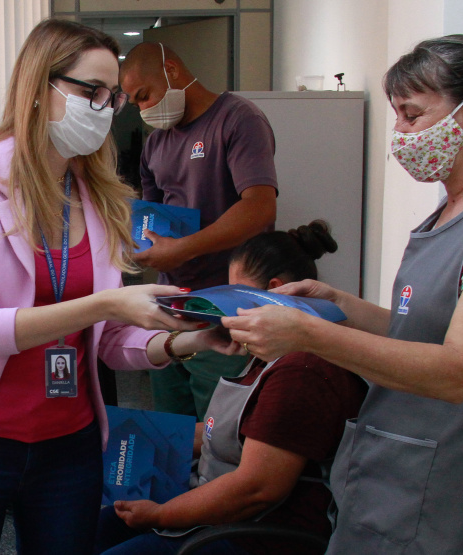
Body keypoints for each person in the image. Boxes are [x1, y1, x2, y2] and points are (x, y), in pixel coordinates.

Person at [222, 35, 463, 555]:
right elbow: (420, 333)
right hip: (390, 467)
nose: (400, 134)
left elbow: (460, 370)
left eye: (412, 115)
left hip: (447, 479)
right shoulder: (451, 211)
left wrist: (310, 336)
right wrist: (337, 305)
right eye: (397, 117)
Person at [0, 19, 235, 554]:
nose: (105, 109)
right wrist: (106, 303)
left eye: (113, 97)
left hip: (68, 447)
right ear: (39, 88)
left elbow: (108, 340)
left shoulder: (99, 196)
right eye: (92, 91)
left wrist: (188, 340)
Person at [94, 220, 368, 555]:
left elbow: (255, 489)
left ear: (274, 289)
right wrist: (127, 437)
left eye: (234, 295)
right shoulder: (269, 356)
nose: (227, 310)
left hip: (253, 537)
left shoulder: (302, 372)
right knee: (91, 530)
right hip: (220, 512)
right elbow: (227, 434)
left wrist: (161, 514)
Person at [119, 42, 279, 421]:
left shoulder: (237, 119)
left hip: (227, 309)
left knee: (218, 430)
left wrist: (183, 249)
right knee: (172, 429)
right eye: (135, 103)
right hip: (172, 308)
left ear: (172, 70)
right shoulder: (156, 143)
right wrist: (136, 245)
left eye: (144, 95)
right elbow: (151, 219)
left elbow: (259, 208)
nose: (143, 109)